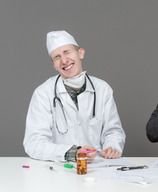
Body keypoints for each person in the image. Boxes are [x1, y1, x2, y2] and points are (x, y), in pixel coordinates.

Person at [23, 30, 126, 163]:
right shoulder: (43, 93)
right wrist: (72, 153)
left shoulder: (102, 89)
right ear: (54, 65)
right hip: (59, 170)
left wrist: (112, 148)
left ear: (80, 53)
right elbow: (34, 143)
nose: (64, 60)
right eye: (57, 57)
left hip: (97, 167)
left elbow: (113, 132)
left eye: (67, 52)